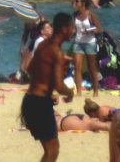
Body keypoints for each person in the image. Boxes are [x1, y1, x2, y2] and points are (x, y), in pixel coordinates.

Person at [22, 11, 76, 162]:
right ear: (64, 29)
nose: (73, 31)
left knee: (50, 149)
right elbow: (59, 85)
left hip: (30, 100)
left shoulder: (43, 45)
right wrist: (70, 93)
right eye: (72, 27)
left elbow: (30, 69)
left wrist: (48, 82)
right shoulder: (56, 52)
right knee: (52, 150)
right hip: (39, 103)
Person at [70, 0, 101, 96]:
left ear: (83, 3)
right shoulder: (74, 15)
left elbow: (99, 29)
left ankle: (95, 90)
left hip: (90, 43)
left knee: (92, 67)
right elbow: (74, 29)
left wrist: (90, 30)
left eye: (77, 1)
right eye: (74, 1)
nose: (74, 3)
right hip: (78, 43)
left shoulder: (91, 15)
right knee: (77, 67)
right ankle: (79, 92)